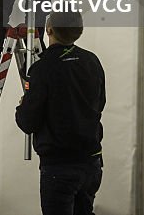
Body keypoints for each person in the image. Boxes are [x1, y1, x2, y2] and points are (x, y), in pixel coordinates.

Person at [15, 11, 105, 215]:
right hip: (92, 162)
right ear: (79, 31)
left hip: (60, 167)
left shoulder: (43, 68)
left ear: (49, 29)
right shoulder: (92, 61)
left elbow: (28, 122)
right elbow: (99, 104)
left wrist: (22, 106)